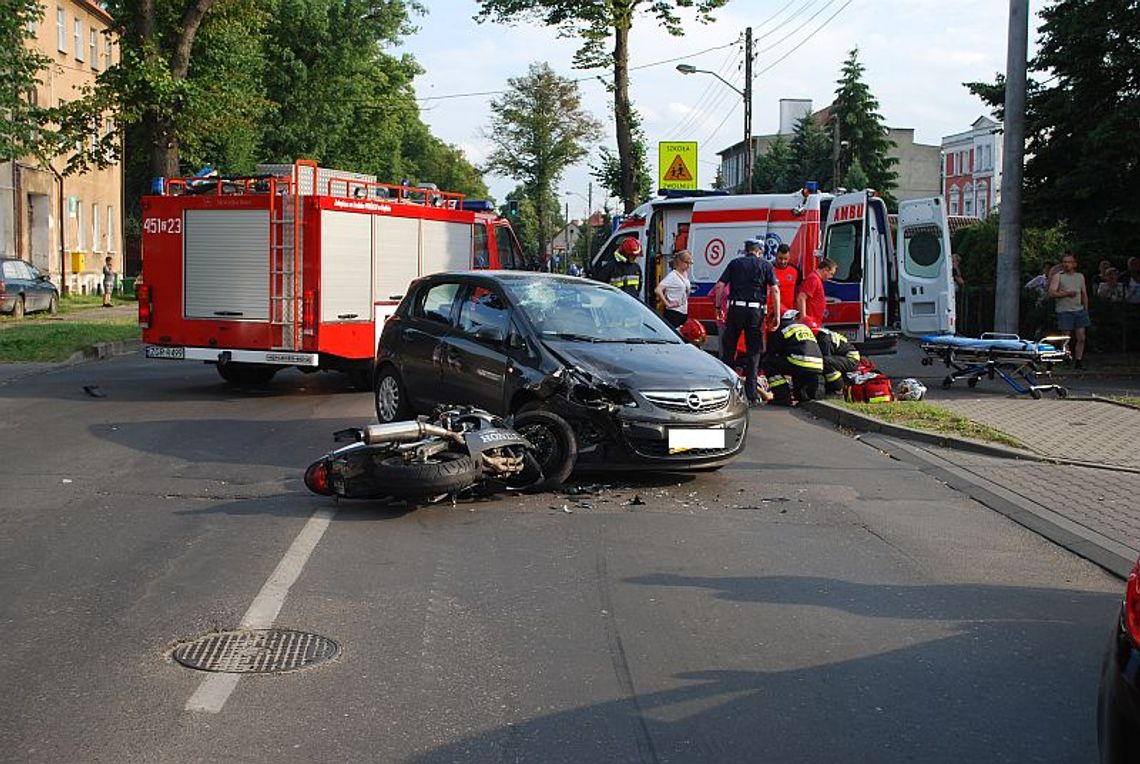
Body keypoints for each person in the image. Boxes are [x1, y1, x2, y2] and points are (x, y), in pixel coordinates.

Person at [713, 239, 779, 405]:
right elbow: (775, 290)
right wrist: (776, 314)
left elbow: (720, 285)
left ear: (746, 250)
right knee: (753, 352)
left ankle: (728, 387)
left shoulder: (734, 264)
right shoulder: (766, 265)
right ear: (759, 251)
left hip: (735, 310)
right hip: (756, 312)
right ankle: (751, 393)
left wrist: (718, 306)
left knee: (729, 348)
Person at [762, 308, 824, 404]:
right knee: (800, 396)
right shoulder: (803, 327)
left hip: (800, 362)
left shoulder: (780, 327)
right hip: (817, 365)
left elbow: (772, 351)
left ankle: (782, 397)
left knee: (768, 362)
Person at [1048, 251, 1089, 369]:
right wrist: (1066, 294)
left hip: (1079, 309)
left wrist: (1086, 309)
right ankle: (1066, 357)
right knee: (1066, 336)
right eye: (1065, 262)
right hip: (1064, 310)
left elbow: (1084, 293)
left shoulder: (1080, 276)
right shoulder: (1059, 276)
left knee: (1081, 337)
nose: (1067, 265)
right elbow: (1051, 293)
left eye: (1069, 262)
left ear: (1074, 264)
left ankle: (1079, 360)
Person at [815, 324, 861, 394]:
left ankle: (837, 388)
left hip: (851, 359)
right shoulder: (823, 334)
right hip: (844, 356)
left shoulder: (824, 338)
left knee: (826, 362)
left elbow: (826, 359)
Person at [654, 250, 693, 327]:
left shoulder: (685, 274)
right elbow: (658, 290)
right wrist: (667, 303)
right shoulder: (672, 276)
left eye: (690, 263)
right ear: (680, 262)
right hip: (673, 312)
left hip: (683, 311)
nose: (688, 265)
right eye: (686, 262)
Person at [796, 257, 836, 328]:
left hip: (814, 322)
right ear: (825, 270)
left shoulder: (817, 279)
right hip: (810, 322)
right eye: (831, 274)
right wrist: (803, 318)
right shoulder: (813, 279)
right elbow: (801, 298)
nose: (831, 277)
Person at [771, 244, 802, 315]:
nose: (782, 261)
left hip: (789, 312)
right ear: (776, 255)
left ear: (789, 257)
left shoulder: (795, 270)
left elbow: (799, 290)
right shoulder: (769, 269)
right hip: (772, 312)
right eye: (780, 258)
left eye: (785, 259)